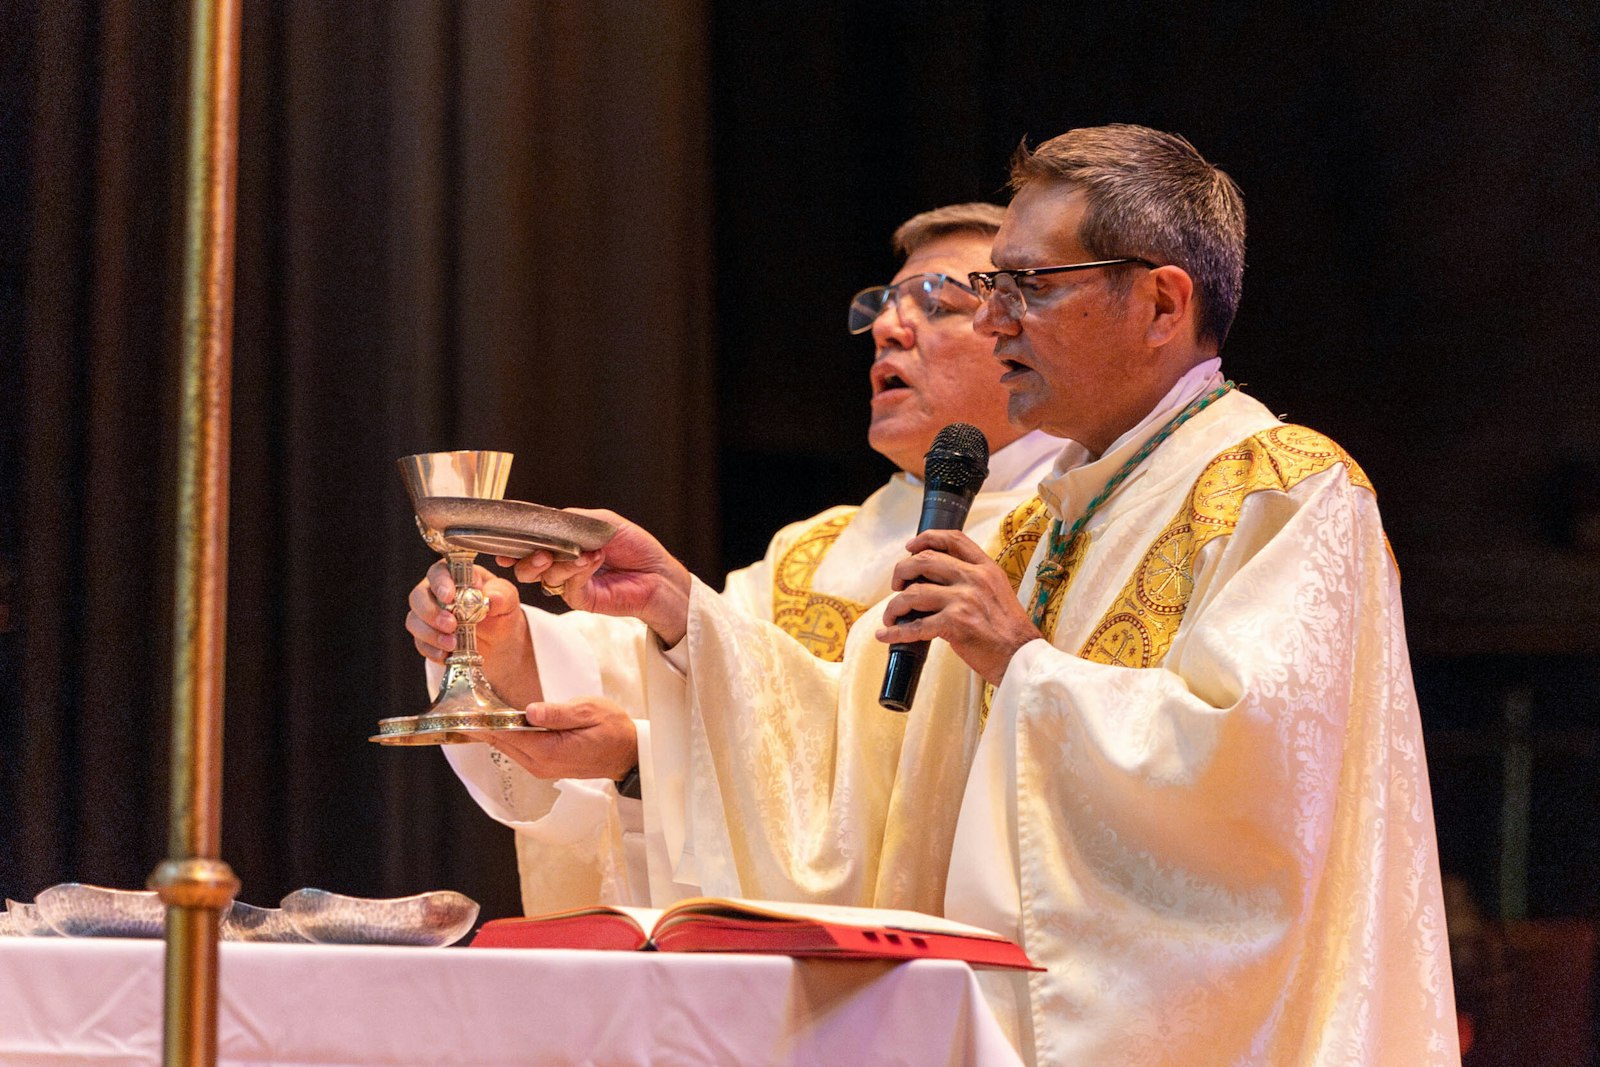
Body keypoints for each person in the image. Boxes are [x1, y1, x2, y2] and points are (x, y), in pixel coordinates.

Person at [501, 125, 1458, 1065]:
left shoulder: (1283, 488)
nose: (997, 318)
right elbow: (875, 767)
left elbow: (1257, 786)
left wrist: (1022, 663)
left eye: (1029, 286)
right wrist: (679, 610)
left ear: (1163, 303)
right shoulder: (1045, 521)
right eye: (994, 287)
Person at [406, 202, 1069, 913]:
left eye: (937, 301)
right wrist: (515, 650)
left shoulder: (1066, 528)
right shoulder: (811, 549)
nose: (884, 329)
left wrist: (644, 737)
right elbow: (692, 688)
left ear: (1017, 327)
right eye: (882, 304)